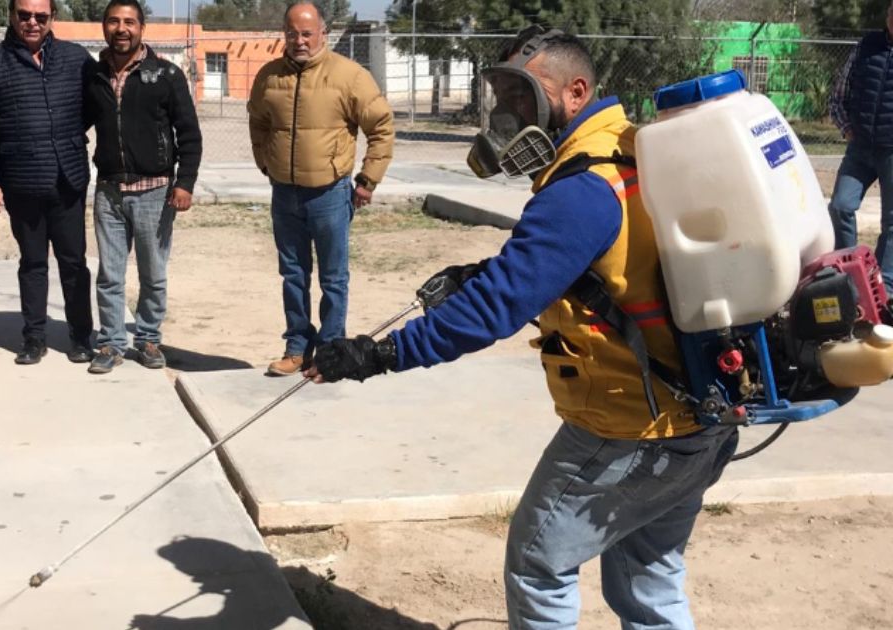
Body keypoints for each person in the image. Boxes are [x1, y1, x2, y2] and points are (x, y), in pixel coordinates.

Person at [307, 28, 738, 630]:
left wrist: (379, 354)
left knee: (539, 564)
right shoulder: (629, 149)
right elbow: (588, 267)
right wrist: (482, 272)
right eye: (505, 94)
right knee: (649, 574)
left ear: (575, 91)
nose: (509, 111)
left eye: (522, 95)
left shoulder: (581, 189)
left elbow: (495, 310)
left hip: (629, 425)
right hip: (704, 414)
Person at [247, 2, 394, 376]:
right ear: (285, 34)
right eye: (293, 32)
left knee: (333, 279)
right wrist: (266, 161)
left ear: (322, 35)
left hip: (330, 195)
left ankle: (330, 354)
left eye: (307, 33)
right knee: (293, 275)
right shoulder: (269, 77)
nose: (300, 40)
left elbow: (381, 129)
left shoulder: (349, 76)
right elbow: (258, 123)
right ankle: (297, 347)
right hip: (285, 195)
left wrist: (367, 180)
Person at [0, 0, 94, 365]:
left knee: (74, 262)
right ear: (11, 16)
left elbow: (91, 108)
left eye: (40, 16)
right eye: (24, 15)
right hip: (22, 183)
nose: (32, 23)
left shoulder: (76, 59)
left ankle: (81, 336)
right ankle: (34, 338)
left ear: (52, 18)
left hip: (68, 179)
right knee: (33, 263)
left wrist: (62, 139)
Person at [83, 0, 202, 375]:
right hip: (109, 191)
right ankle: (111, 342)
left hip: (155, 192)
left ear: (142, 28)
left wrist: (185, 183)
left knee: (153, 272)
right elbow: (76, 124)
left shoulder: (165, 74)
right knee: (110, 274)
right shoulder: (93, 74)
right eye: (114, 21)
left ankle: (148, 337)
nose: (122, 29)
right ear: (104, 27)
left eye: (130, 22)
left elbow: (189, 135)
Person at [827, 2, 893, 297]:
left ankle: (884, 289)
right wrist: (847, 128)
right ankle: (848, 277)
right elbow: (839, 94)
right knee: (840, 206)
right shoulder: (867, 46)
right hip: (860, 148)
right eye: (892, 12)